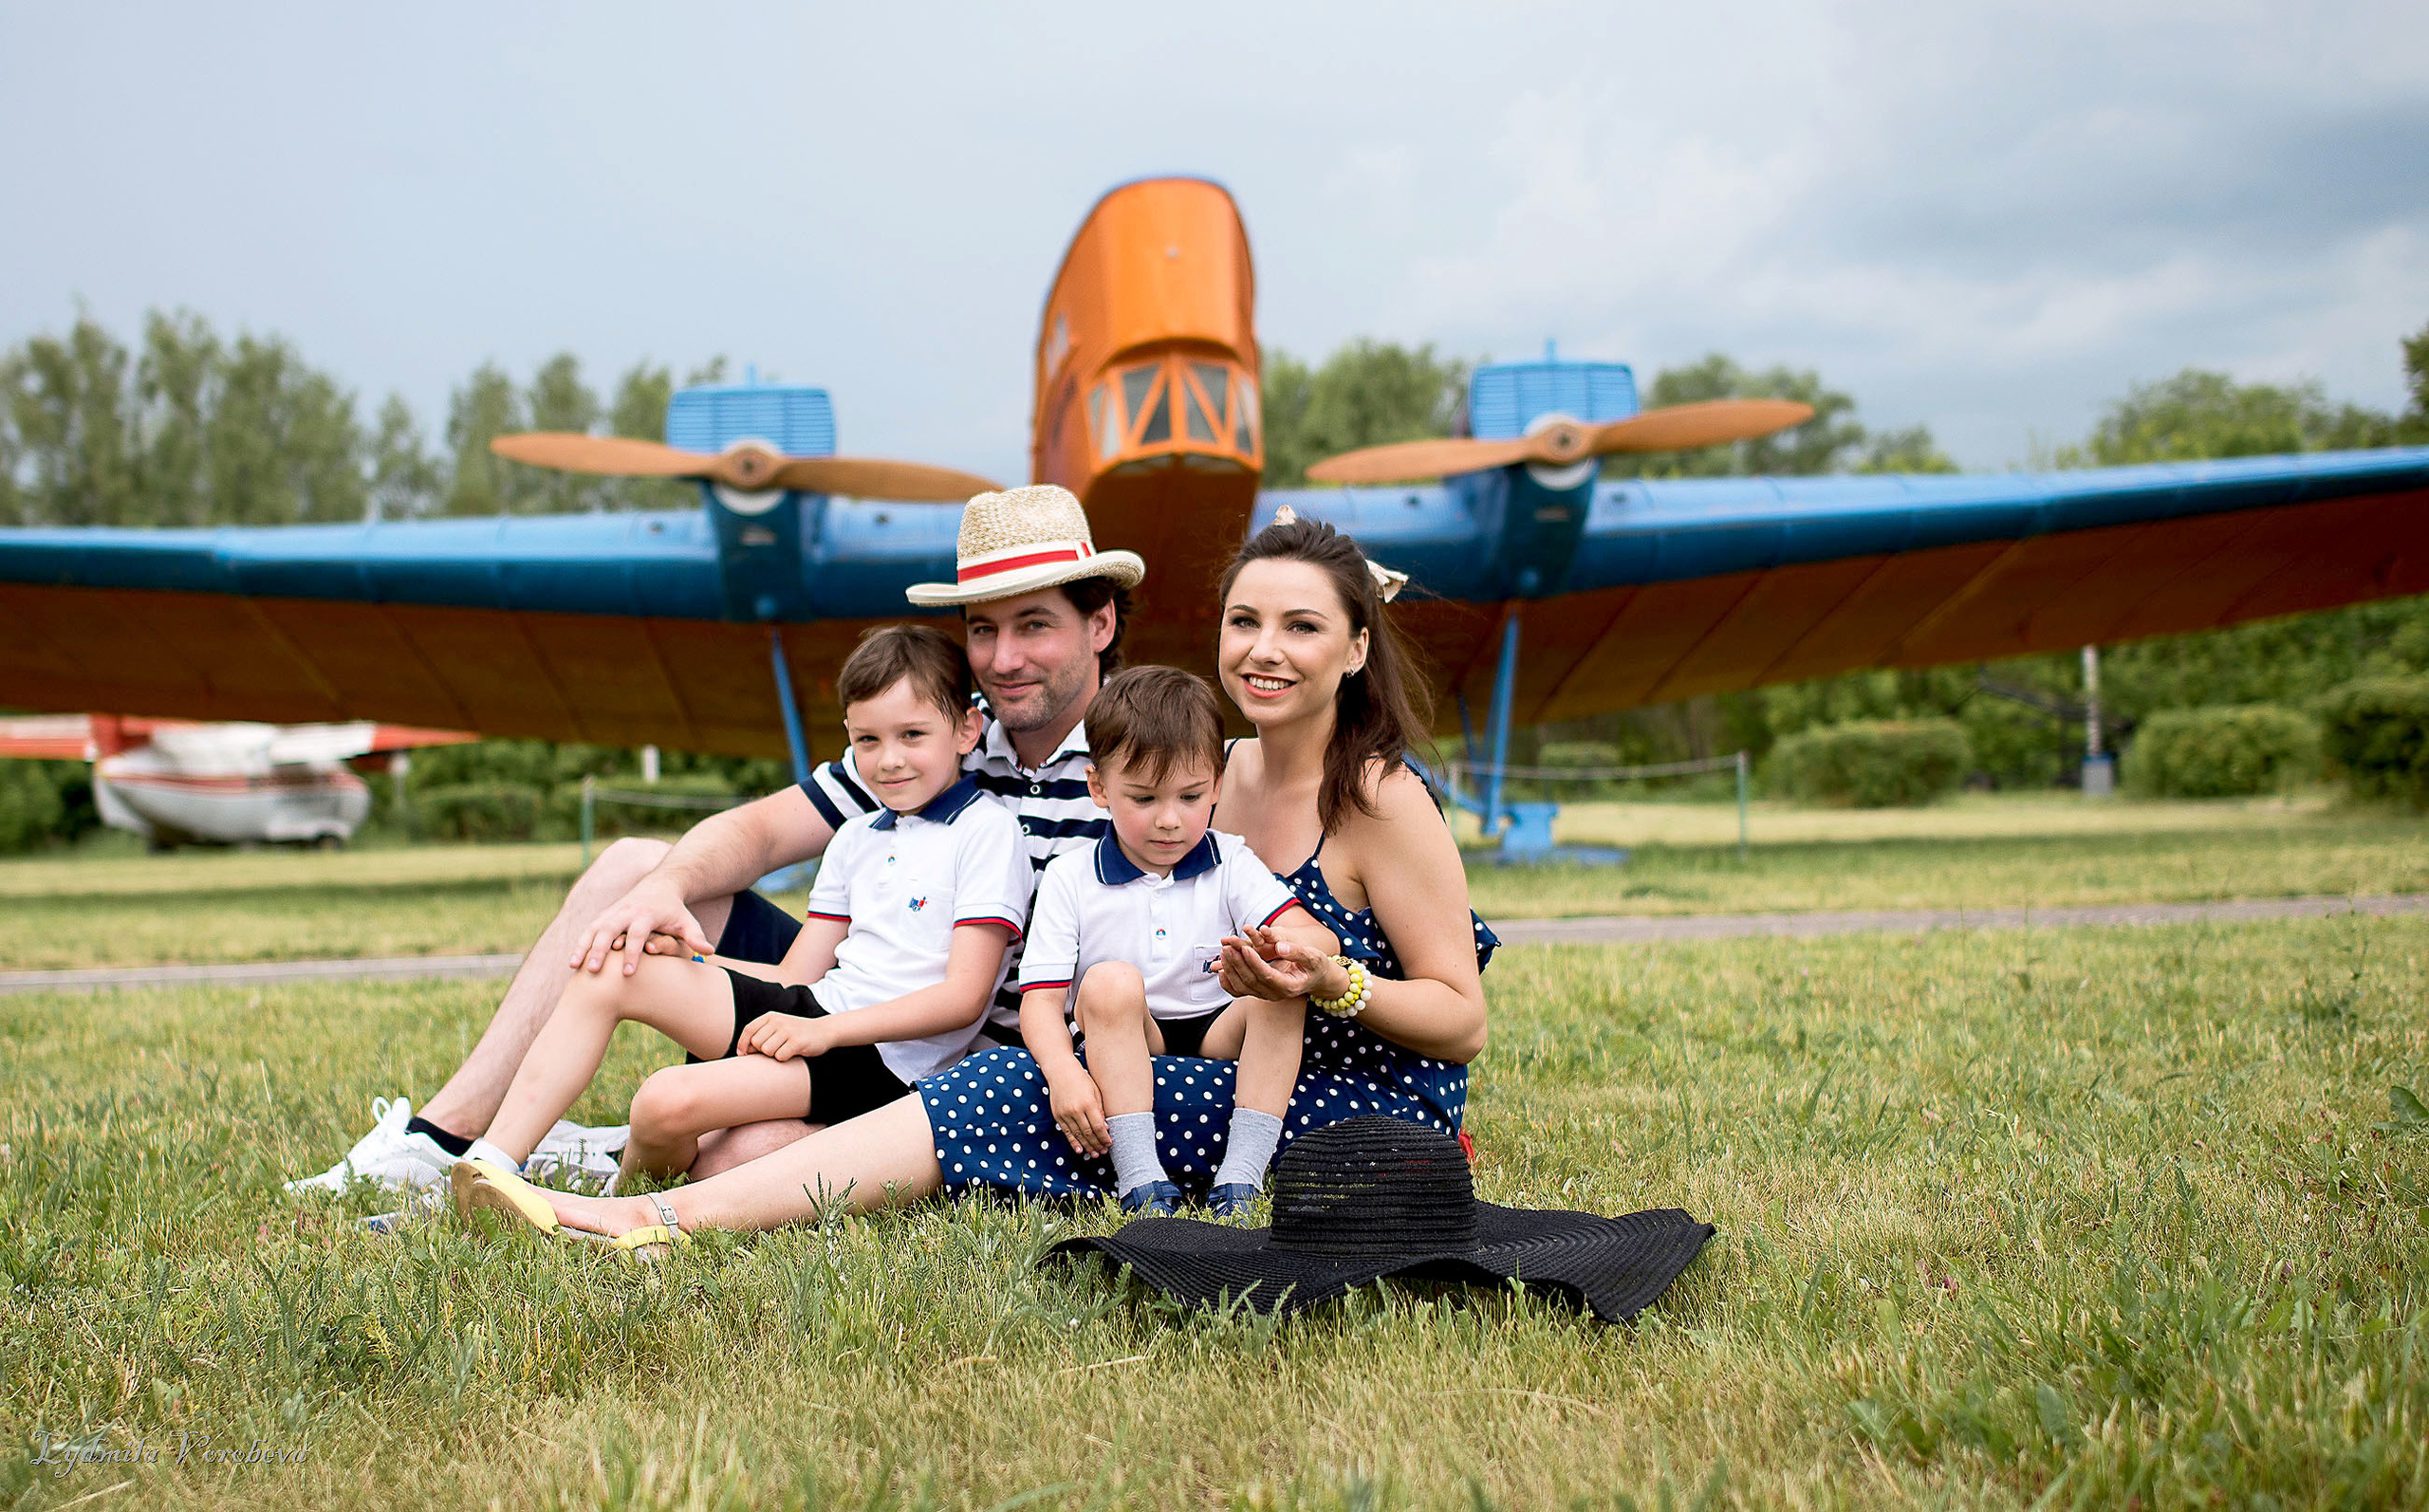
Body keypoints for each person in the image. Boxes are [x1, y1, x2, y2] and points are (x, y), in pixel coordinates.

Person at [473, 509, 1497, 1245]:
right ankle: (479, 1144)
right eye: (1244, 623)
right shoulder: (1206, 773)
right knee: (639, 875)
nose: (1262, 650)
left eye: (1301, 627)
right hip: (1142, 1043)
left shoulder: (1377, 796)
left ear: (1358, 645)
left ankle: (650, 1217)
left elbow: (1463, 1020)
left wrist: (1329, 982)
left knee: (987, 1082)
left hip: (1328, 1094)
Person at [286, 485, 1142, 1196]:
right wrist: (667, 898)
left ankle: (602, 1150)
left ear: (1099, 624)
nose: (1002, 657)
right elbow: (766, 829)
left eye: (1034, 625)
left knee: (742, 1158)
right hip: (850, 996)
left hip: (962, 1064)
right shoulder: (933, 737)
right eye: (983, 629)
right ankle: (446, 1136)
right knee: (636, 870)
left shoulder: (1142, 769)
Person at [450, 625, 1030, 1189]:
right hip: (818, 1013)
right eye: (867, 740)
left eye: (912, 735)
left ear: (965, 730)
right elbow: (795, 976)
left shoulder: (987, 832)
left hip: (886, 1065)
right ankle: (490, 1166)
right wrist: (689, 961)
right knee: (616, 965)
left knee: (661, 1101)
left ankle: (616, 1197)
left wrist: (826, 1035)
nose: (888, 760)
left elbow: (963, 999)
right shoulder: (857, 838)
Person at [1017, 665, 1335, 1217]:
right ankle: (1140, 1178)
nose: (1170, 821)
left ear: (1216, 783)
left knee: (1285, 987)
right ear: (1099, 788)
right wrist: (1064, 1072)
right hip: (1132, 1034)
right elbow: (1041, 1000)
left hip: (1219, 1028)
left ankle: (1242, 1175)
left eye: (1190, 797)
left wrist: (1274, 953)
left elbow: (1317, 937)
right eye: (1143, 799)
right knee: (1110, 981)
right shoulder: (1070, 876)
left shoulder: (1229, 859)